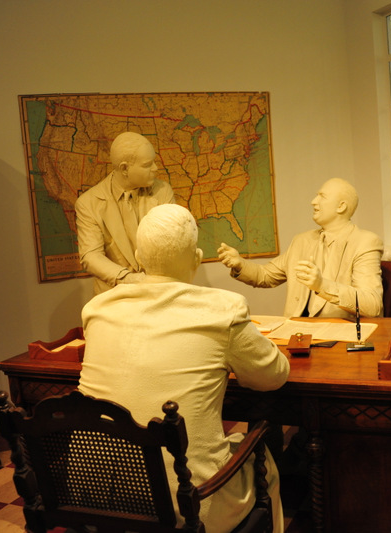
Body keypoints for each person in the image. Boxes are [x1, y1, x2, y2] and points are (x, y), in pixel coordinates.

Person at [78, 204, 289, 532]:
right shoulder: (223, 310)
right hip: (189, 507)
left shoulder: (96, 310)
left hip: (96, 499)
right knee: (264, 461)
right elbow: (273, 376)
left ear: (138, 257)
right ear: (197, 258)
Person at [218, 177, 384, 318]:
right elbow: (266, 275)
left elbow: (372, 304)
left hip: (339, 336)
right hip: (296, 334)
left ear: (341, 206)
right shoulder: (301, 241)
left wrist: (322, 285)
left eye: (322, 196)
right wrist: (239, 263)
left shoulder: (365, 242)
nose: (314, 201)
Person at [74, 131, 175, 294]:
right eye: (147, 165)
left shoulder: (162, 192)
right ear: (124, 168)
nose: (155, 168)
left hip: (160, 292)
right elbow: (91, 255)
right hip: (115, 296)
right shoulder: (89, 203)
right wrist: (129, 279)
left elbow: (173, 241)